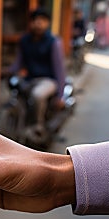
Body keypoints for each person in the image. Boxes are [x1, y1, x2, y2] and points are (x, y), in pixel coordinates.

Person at [8, 8, 66, 139]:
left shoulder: (54, 42)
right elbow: (18, 62)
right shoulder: (24, 40)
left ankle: (37, 126)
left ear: (47, 23)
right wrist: (9, 71)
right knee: (18, 93)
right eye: (36, 20)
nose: (39, 23)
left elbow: (60, 69)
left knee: (37, 95)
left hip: (48, 80)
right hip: (30, 79)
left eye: (43, 21)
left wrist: (61, 95)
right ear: (31, 23)